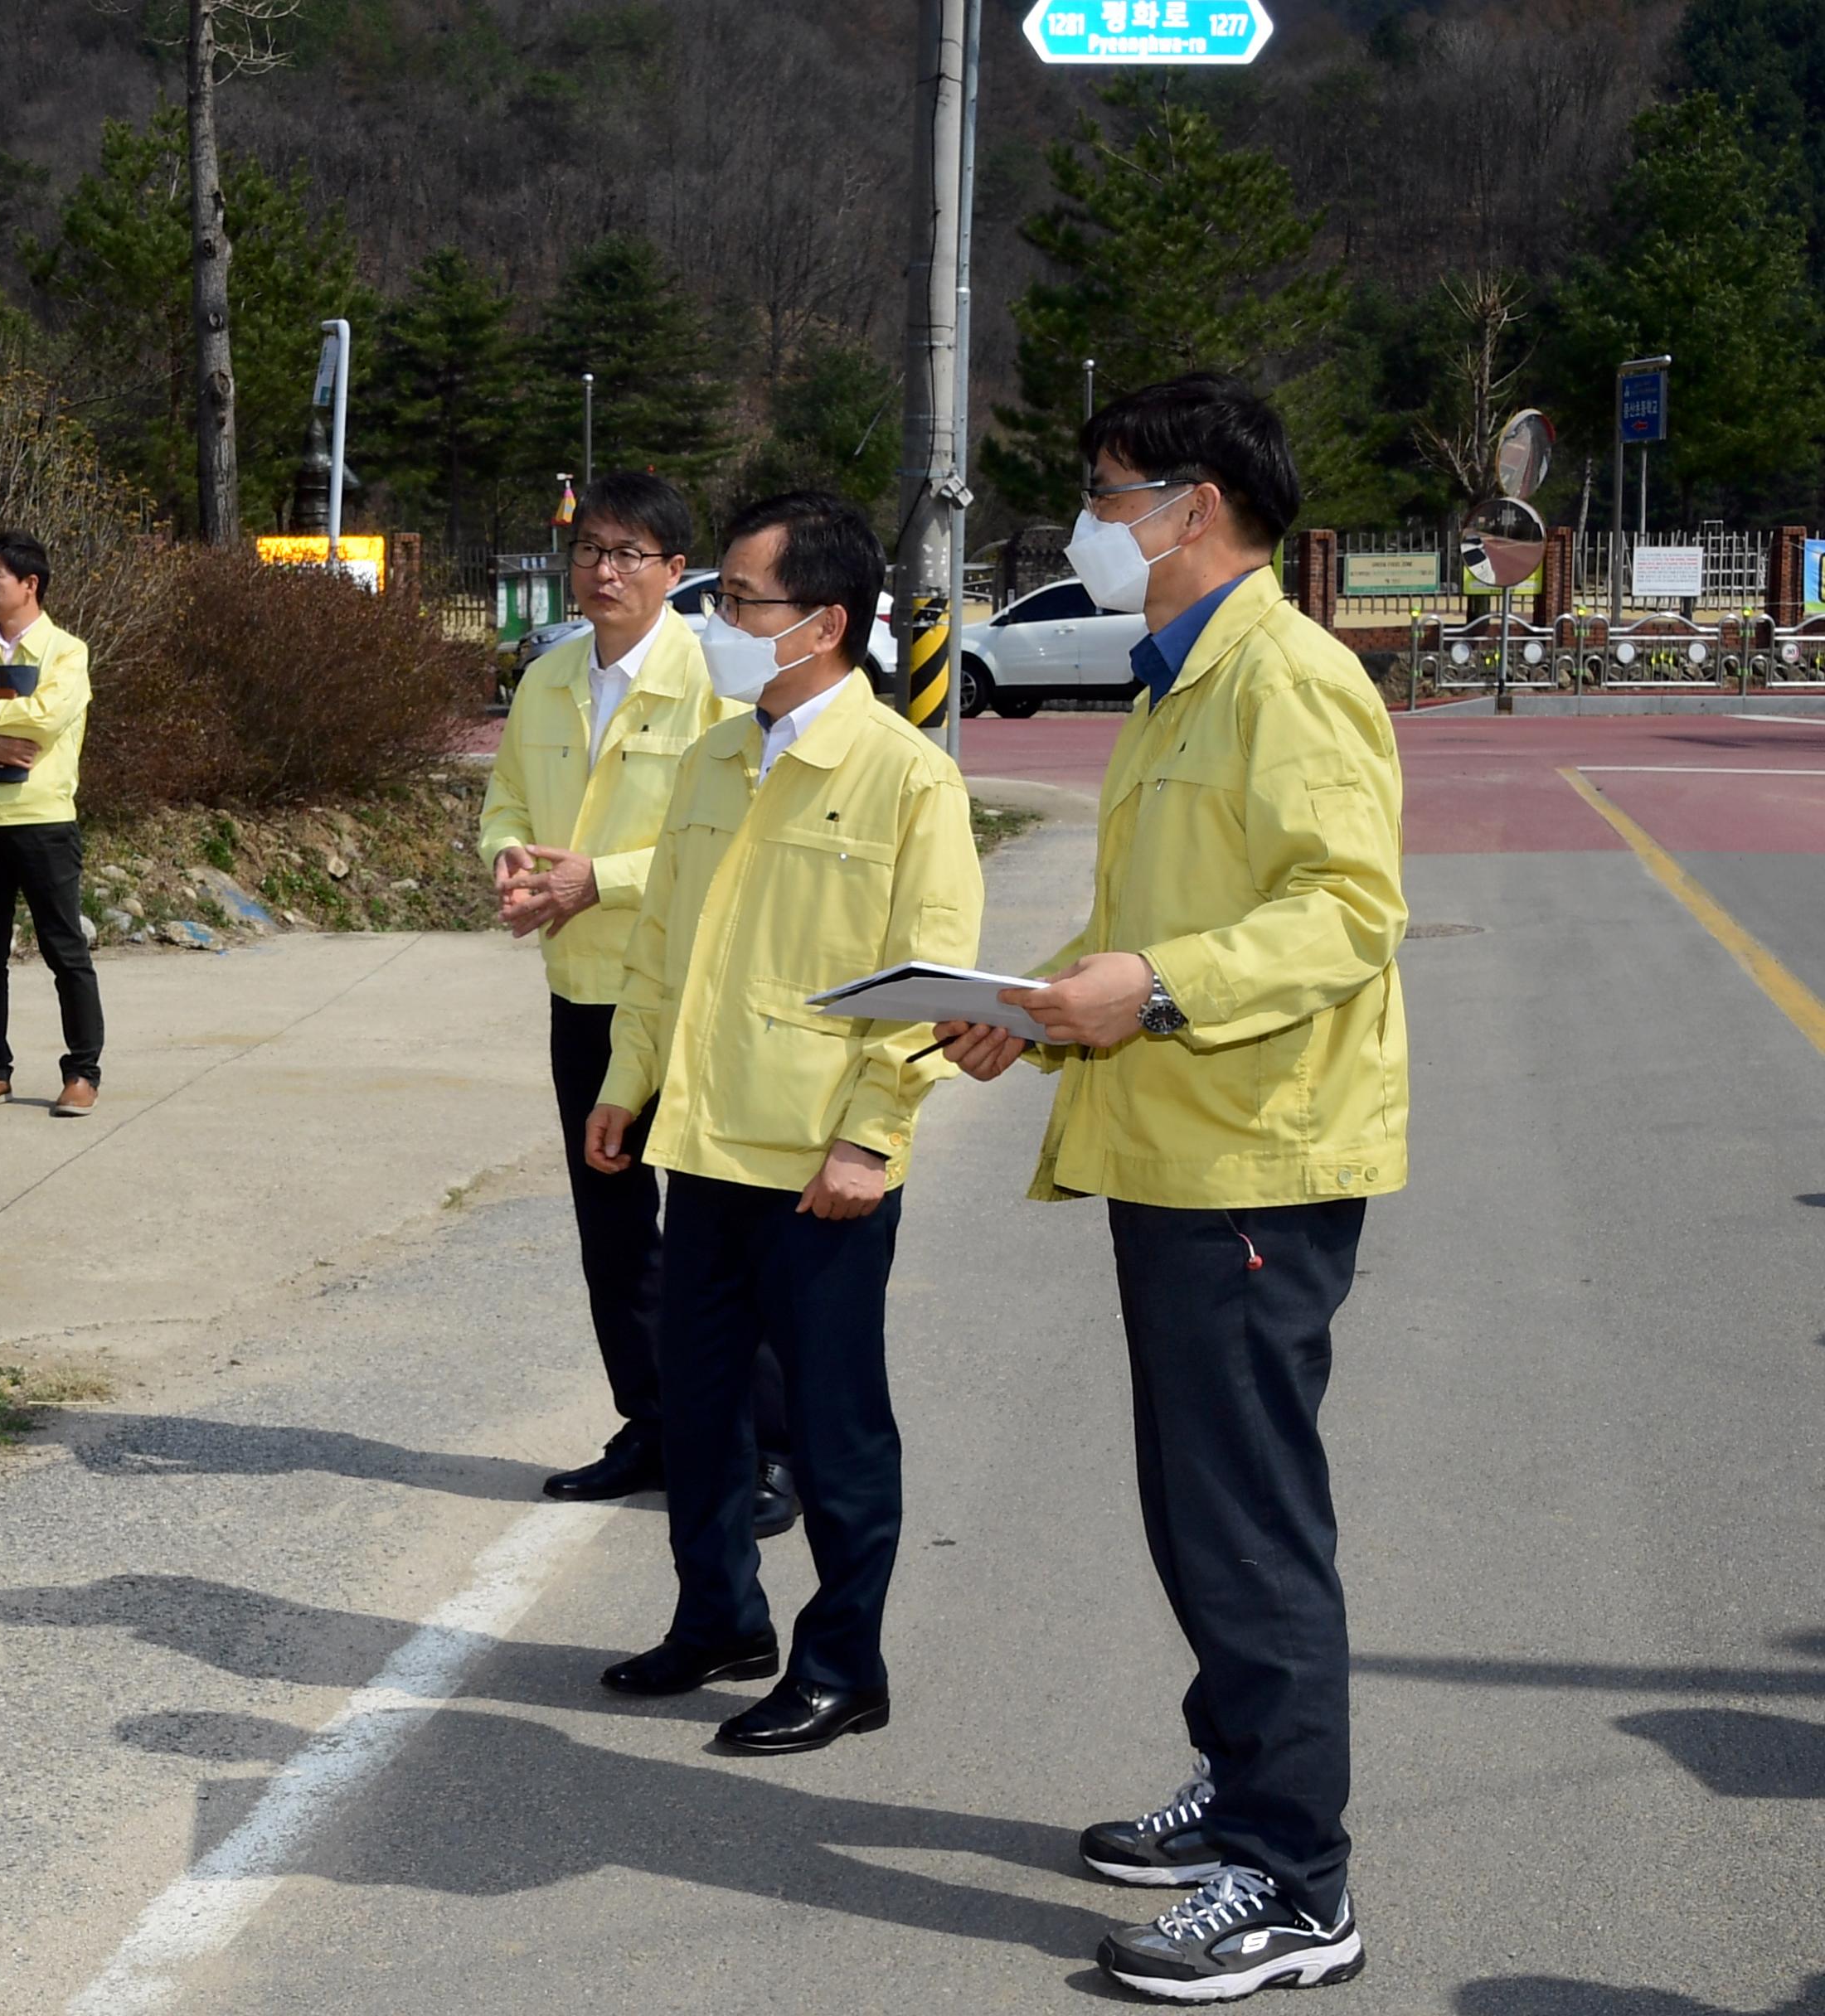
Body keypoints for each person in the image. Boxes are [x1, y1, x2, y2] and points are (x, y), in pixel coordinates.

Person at [934, 374, 1403, 2003]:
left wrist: (1149, 984)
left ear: (1190, 506)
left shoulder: (1289, 676)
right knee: (1196, 1510)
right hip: (1182, 1151)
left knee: (1247, 1523)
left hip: (1256, 1159)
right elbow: (1154, 911)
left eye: (1108, 493)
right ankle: (1243, 1780)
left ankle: (1294, 1881)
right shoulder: (1183, 681)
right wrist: (1035, 1009)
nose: (1092, 525)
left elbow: (1348, 909)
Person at [584, 490, 981, 1749]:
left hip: (821, 1166)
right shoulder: (712, 757)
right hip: (700, 1145)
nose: (718, 618)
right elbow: (662, 952)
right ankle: (720, 1621)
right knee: (698, 1413)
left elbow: (928, 981)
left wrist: (873, 1137)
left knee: (834, 1421)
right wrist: (623, 1082)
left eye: (740, 599)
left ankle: (842, 1663)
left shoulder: (907, 780)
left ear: (821, 625)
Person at [479, 472, 799, 1539]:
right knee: (613, 1226)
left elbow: (734, 833)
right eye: (591, 550)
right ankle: (653, 1424)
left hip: (688, 989)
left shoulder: (715, 684)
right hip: (583, 989)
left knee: (721, 1222)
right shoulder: (548, 678)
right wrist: (515, 862)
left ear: (676, 571)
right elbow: (507, 804)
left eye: (631, 553)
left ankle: (763, 1446)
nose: (604, 570)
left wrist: (596, 880)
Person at [0, 532, 104, 1116]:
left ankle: (82, 1072)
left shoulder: (67, 653)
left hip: (44, 822)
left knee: (64, 950)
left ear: (30, 584)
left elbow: (47, 718)